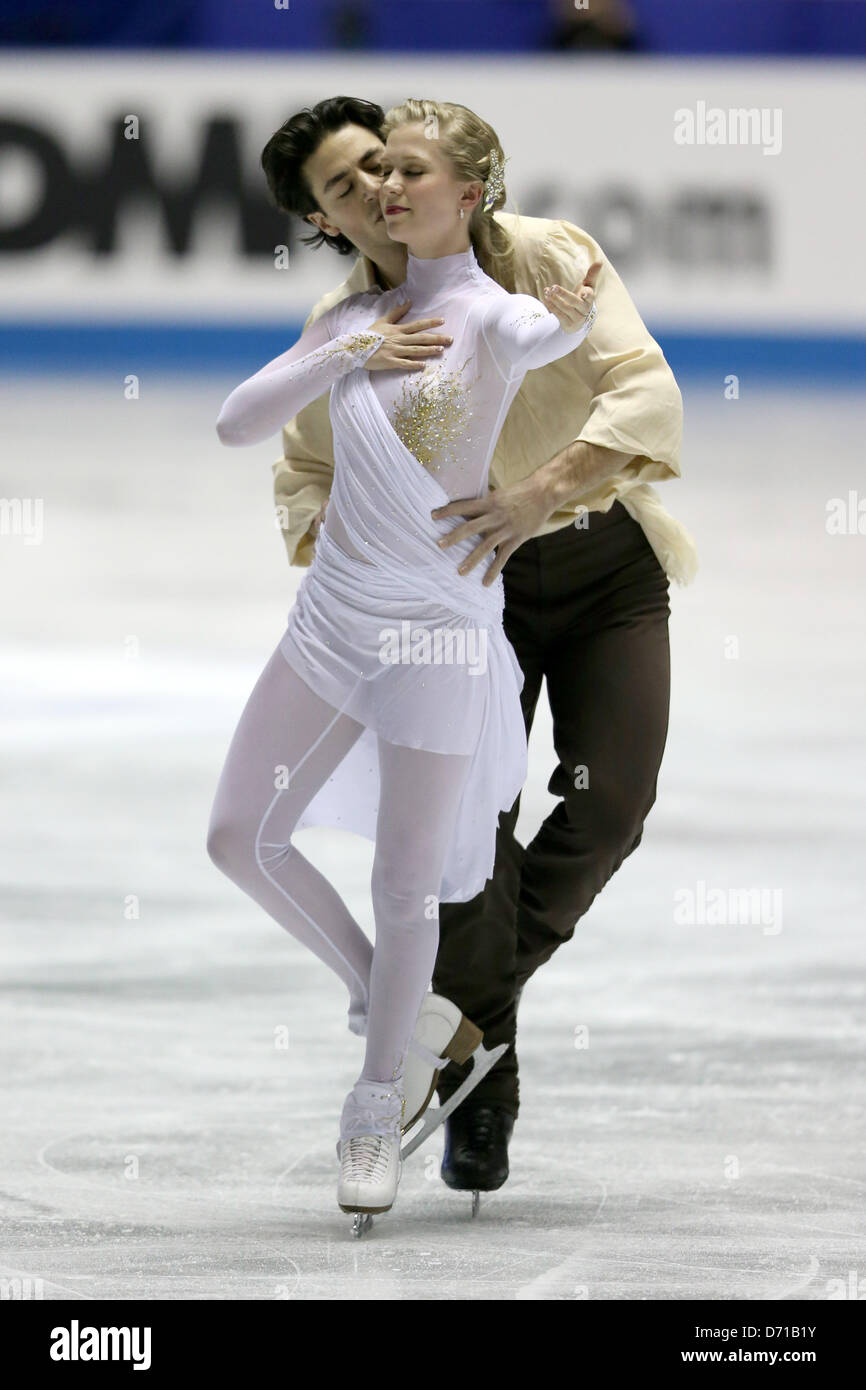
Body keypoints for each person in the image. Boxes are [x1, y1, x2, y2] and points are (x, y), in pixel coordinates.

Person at [262, 96, 698, 1197]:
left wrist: (538, 491)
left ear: (448, 181)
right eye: (344, 189)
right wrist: (365, 561)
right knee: (471, 838)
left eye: (382, 167)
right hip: (464, 601)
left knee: (611, 804)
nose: (375, 195)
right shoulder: (348, 322)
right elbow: (300, 469)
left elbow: (640, 386)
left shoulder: (545, 258)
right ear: (322, 218)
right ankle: (485, 1082)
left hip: (603, 567)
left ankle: (458, 1026)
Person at [207, 98, 598, 1220]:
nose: (385, 190)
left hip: (436, 631)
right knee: (240, 834)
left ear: (465, 196)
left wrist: (567, 317)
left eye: (405, 172)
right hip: (332, 620)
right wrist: (351, 350)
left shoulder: (487, 311)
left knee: (403, 880)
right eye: (372, 182)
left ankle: (375, 1103)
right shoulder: (358, 315)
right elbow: (238, 425)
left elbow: (540, 338)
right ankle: (390, 996)